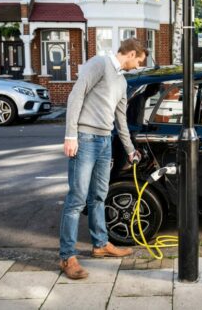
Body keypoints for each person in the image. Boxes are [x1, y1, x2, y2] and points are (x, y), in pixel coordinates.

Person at [59, 38, 146, 280]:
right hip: (85, 139)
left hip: (105, 140)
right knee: (76, 200)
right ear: (130, 53)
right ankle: (67, 256)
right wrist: (70, 135)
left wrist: (129, 149)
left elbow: (121, 119)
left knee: (99, 195)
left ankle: (100, 245)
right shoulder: (98, 64)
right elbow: (76, 96)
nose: (138, 66)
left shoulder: (121, 80)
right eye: (138, 61)